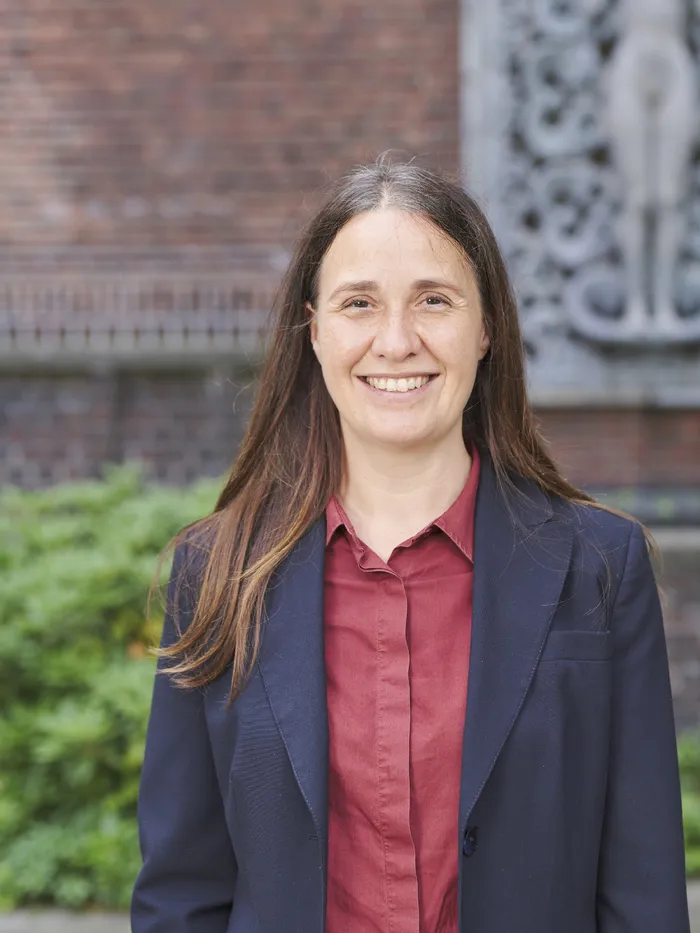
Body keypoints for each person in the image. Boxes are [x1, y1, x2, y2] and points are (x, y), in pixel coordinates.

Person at [130, 159, 690, 933]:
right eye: (359, 303)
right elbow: (180, 895)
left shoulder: (599, 568)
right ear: (315, 329)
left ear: (486, 325)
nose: (396, 341)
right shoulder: (219, 573)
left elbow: (644, 891)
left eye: (434, 299)